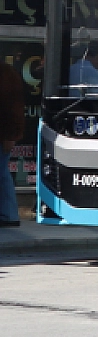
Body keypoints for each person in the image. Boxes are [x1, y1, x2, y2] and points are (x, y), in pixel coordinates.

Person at [0, 59, 26, 227]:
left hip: (3, 133)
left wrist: (10, 135)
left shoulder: (6, 75)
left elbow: (12, 108)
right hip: (5, 132)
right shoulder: (7, 74)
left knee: (2, 173)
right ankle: (8, 214)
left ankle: (9, 214)